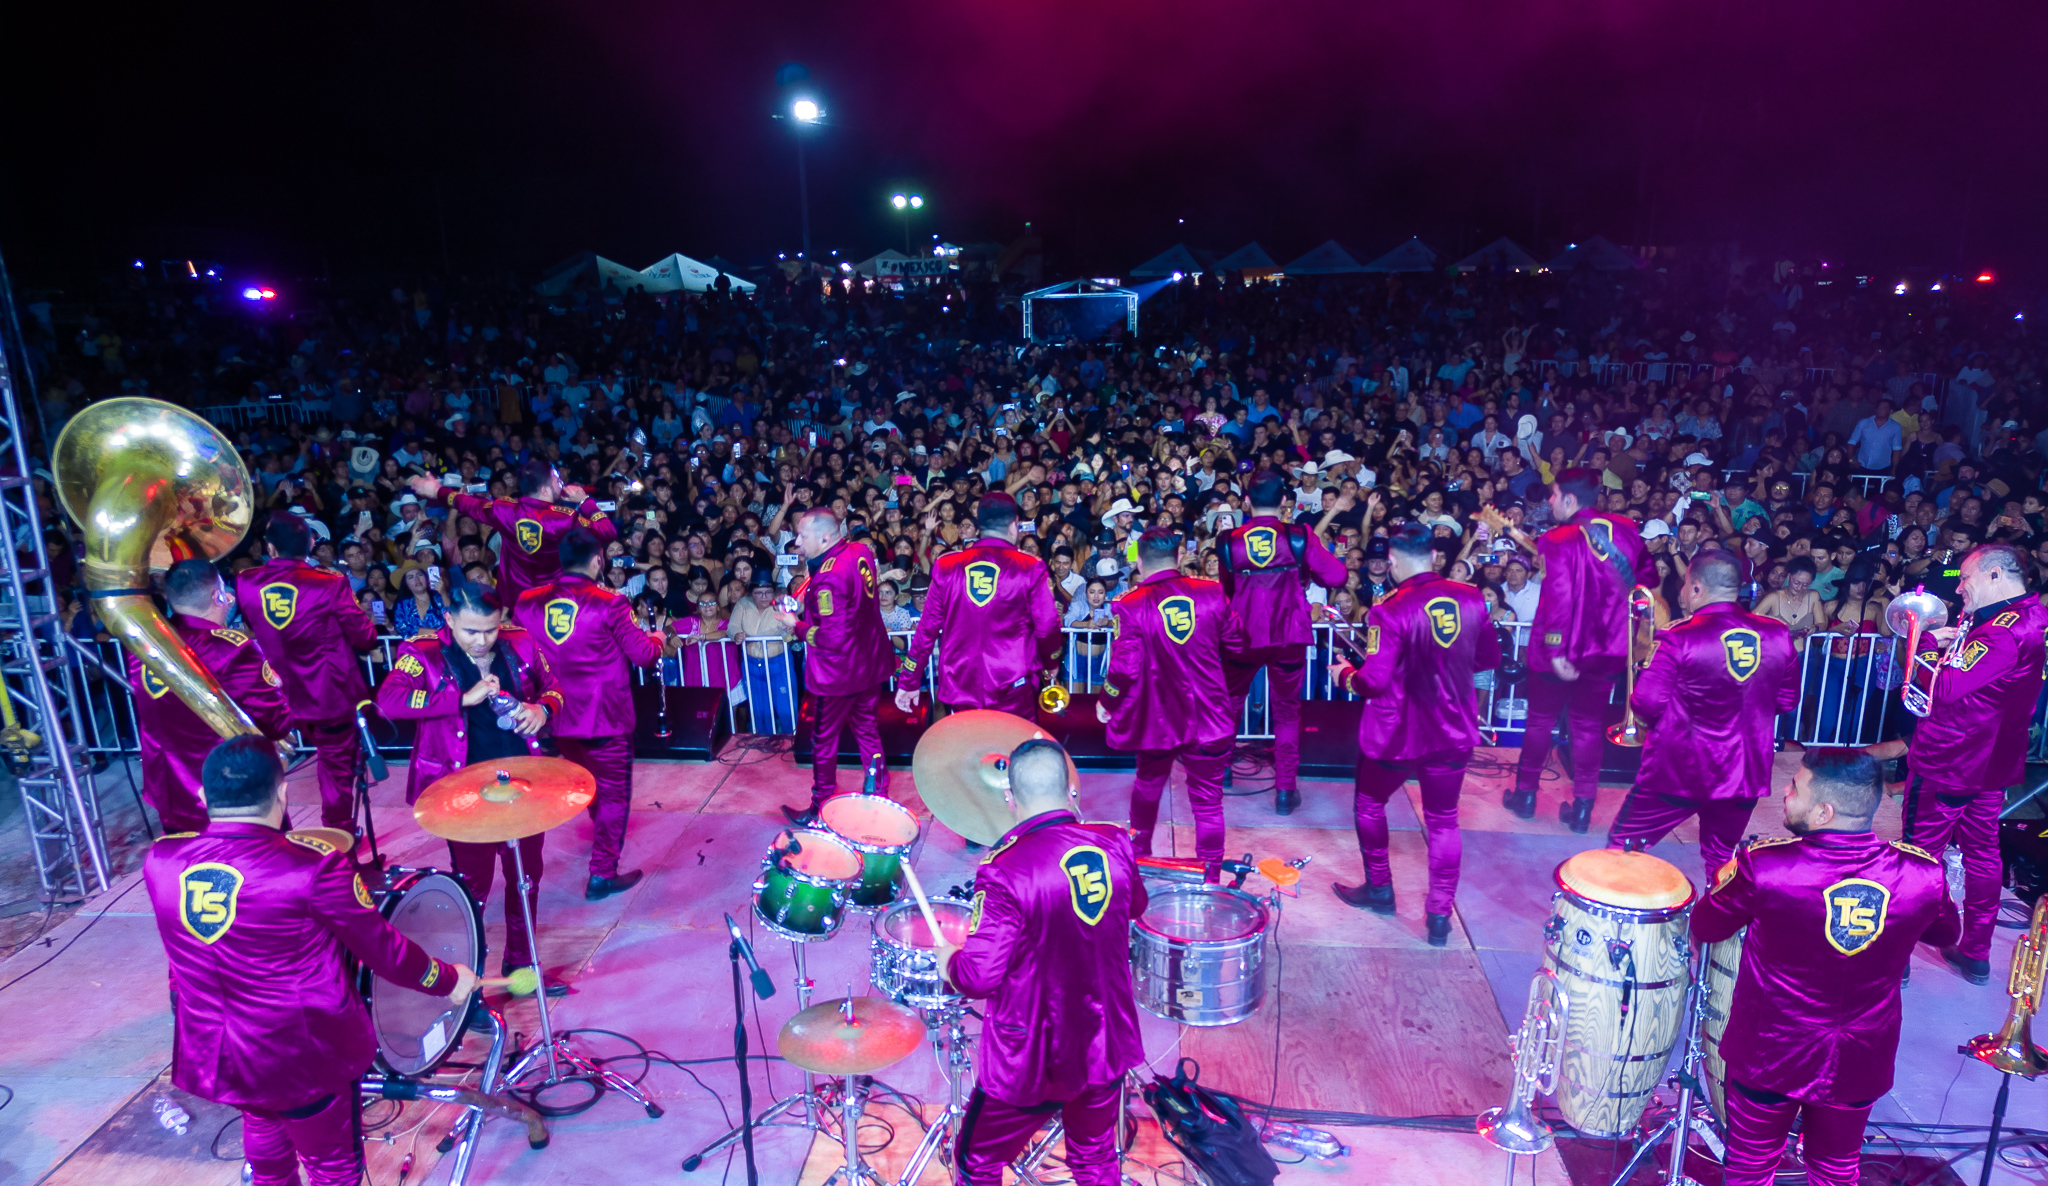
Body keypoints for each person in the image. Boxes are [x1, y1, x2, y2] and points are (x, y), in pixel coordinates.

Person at [144, 737, 476, 1186]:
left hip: (220, 1052)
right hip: (299, 1055)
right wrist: (448, 979)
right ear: (282, 795)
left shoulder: (161, 860)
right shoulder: (312, 869)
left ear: (203, 797)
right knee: (333, 1168)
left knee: (263, 1127)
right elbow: (386, 952)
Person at [1691, 748, 1958, 1186]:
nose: (1784, 792)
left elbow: (1706, 924)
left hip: (1769, 1051)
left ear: (1823, 812)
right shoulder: (1922, 875)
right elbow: (1947, 935)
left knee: (1750, 1167)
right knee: (1835, 1170)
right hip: (1861, 1054)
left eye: (1795, 787)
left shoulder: (1766, 866)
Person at [935, 738, 1145, 1186]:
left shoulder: (1004, 869)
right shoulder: (1115, 841)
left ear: (1009, 797)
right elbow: (1135, 906)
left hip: (1033, 1060)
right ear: (1072, 789)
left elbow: (978, 978)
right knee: (1095, 1157)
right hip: (1105, 1042)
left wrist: (948, 960)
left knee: (977, 1161)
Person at [1867, 542, 2048, 983]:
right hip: (1992, 763)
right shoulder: (2032, 616)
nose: (1960, 588)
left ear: (1995, 575)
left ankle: (1895, 958)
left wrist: (1928, 643)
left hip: (1951, 760)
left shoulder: (2003, 630)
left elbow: (1945, 688)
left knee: (1917, 855)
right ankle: (1975, 953)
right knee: (1983, 853)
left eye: (1966, 578)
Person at [375, 582, 566, 980]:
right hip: (459, 791)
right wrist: (461, 699)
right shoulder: (423, 653)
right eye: (471, 631)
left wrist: (542, 710)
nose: (482, 641)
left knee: (526, 878)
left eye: (491, 630)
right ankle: (471, 981)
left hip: (522, 782)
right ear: (449, 619)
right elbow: (388, 700)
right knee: (473, 887)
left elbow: (553, 688)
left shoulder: (521, 643)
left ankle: (522, 962)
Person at [1328, 524, 1497, 944]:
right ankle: (1439, 915)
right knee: (1443, 821)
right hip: (1452, 727)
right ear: (1434, 556)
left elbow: (1374, 681)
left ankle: (1380, 890)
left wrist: (1344, 675)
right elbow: (1489, 657)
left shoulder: (1390, 607)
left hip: (1398, 731)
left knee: (1370, 804)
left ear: (1393, 561)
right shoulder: (1471, 598)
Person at [1607, 551, 1800, 874]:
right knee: (1721, 858)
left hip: (1679, 769)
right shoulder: (1777, 634)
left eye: (1684, 585)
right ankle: (1714, 908)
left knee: (1623, 846)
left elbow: (1646, 703)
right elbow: (1787, 701)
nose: (1682, 592)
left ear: (1696, 588)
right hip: (1744, 772)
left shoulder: (1678, 636)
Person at [1481, 469, 1651, 833]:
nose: (1550, 501)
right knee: (1587, 726)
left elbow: (1558, 595)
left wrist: (1557, 649)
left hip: (1561, 650)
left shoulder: (1559, 538)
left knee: (1540, 721)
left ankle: (1526, 796)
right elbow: (1646, 583)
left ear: (1570, 499)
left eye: (1554, 495)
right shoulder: (1627, 530)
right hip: (1608, 650)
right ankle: (1583, 809)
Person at [514, 528, 662, 900]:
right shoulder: (610, 603)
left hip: (554, 716)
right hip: (604, 717)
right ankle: (602, 874)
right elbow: (643, 655)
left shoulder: (528, 602)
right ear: (598, 560)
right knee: (613, 796)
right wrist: (658, 639)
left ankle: (601, 837)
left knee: (589, 783)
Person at [1097, 528, 1247, 863]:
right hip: (1208, 714)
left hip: (1157, 718)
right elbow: (1239, 644)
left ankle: (1139, 860)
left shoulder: (1129, 604)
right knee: (1208, 803)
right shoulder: (1212, 593)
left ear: (1138, 562)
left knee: (1147, 787)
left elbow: (1124, 668)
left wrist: (1107, 701)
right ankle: (1210, 874)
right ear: (1178, 558)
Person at [234, 512, 379, 831]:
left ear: (270, 548)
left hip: (275, 695)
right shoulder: (330, 582)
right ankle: (339, 841)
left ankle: (273, 836)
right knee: (336, 771)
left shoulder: (246, 582)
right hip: (328, 696)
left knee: (267, 767)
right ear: (311, 545)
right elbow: (365, 638)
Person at [128, 559, 295, 834]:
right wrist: (276, 685)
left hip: (170, 787)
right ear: (218, 595)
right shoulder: (233, 648)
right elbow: (277, 723)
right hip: (232, 790)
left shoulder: (143, 645)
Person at [1215, 473, 1350, 814]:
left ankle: (1221, 771)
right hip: (1289, 633)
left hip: (1243, 632)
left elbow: (1227, 589)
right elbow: (1338, 576)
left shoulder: (1229, 540)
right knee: (1287, 712)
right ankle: (1285, 792)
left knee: (1230, 702)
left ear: (1247, 501)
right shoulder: (1298, 535)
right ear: (1284, 502)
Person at [894, 493, 1061, 719]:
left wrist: (909, 678)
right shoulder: (1030, 567)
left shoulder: (947, 565)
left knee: (967, 741)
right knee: (1015, 740)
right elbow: (1047, 625)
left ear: (979, 525)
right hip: (1012, 683)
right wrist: (1050, 663)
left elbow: (926, 629)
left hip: (959, 683)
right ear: (1014, 525)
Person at [781, 508, 894, 825]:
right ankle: (879, 793)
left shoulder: (828, 578)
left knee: (823, 741)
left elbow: (831, 637)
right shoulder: (859, 550)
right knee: (867, 732)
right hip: (869, 663)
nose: (797, 542)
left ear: (825, 537)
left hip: (838, 674)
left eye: (802, 535)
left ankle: (820, 807)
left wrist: (796, 625)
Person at [410, 459, 618, 606]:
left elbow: (467, 503)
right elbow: (607, 532)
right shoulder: (564, 518)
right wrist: (585, 500)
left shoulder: (504, 509)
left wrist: (437, 491)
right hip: (554, 601)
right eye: (557, 480)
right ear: (545, 489)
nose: (562, 484)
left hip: (516, 603)